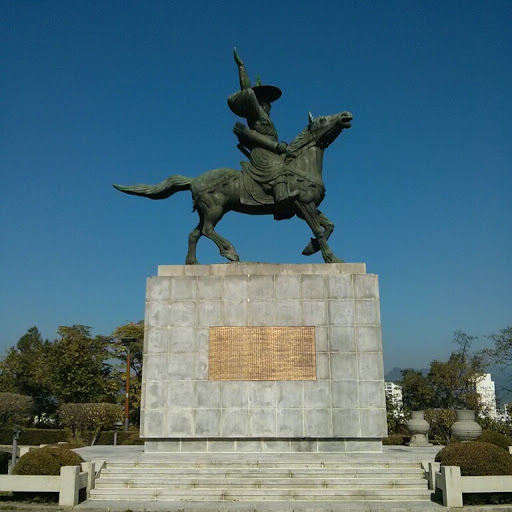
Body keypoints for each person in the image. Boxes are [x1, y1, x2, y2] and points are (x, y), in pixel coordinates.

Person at [227, 49, 296, 205]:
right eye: (267, 104)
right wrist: (242, 67)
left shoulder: (268, 120)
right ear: (261, 105)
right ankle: (281, 197)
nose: (270, 107)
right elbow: (247, 91)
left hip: (271, 151)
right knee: (279, 166)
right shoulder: (256, 114)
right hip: (262, 154)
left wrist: (282, 145)